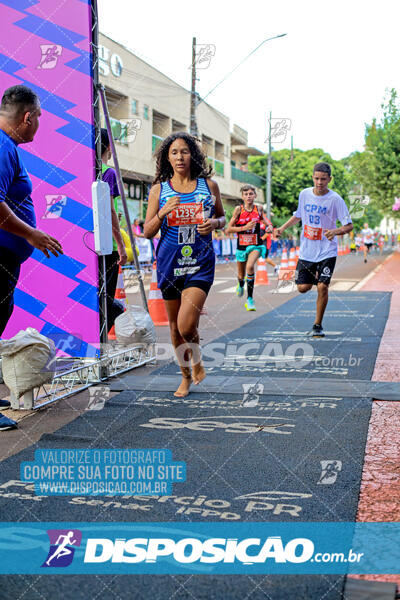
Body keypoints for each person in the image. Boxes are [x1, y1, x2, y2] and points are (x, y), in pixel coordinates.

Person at [0, 85, 63, 430]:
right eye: (38, 117)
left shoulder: (6, 146)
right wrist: (32, 234)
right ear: (27, 117)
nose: (39, 123)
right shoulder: (2, 147)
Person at [144, 132, 225, 397]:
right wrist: (163, 212)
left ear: (193, 156)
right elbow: (147, 231)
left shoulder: (208, 186)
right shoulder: (159, 190)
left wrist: (213, 223)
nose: (180, 157)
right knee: (173, 328)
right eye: (174, 152)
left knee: (186, 325)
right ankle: (185, 376)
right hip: (169, 264)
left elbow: (222, 218)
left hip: (199, 263)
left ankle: (198, 358)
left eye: (185, 151)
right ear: (167, 158)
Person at [276, 162, 353, 337]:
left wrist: (335, 231)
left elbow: (349, 225)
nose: (319, 182)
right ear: (312, 177)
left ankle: (317, 324)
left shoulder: (335, 199)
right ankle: (315, 276)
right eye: (317, 178)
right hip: (307, 251)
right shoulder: (304, 194)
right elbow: (298, 215)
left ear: (329, 179)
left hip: (327, 250)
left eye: (323, 179)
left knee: (322, 287)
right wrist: (281, 228)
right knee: (302, 288)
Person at [226, 185, 273, 311]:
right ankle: (241, 283)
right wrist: (244, 228)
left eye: (251, 194)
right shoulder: (238, 210)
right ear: (242, 196)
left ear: (255, 195)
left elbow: (266, 222)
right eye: (246, 194)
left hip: (256, 244)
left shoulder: (259, 209)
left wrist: (269, 227)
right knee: (241, 275)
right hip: (241, 246)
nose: (248, 196)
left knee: (250, 266)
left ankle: (250, 299)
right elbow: (228, 229)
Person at [100, 128, 127, 332]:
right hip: (106, 244)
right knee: (107, 297)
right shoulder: (108, 172)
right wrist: (121, 246)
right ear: (109, 147)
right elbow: (109, 211)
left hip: (86, 241)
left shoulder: (85, 170)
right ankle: (98, 337)